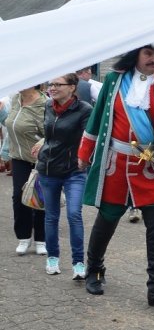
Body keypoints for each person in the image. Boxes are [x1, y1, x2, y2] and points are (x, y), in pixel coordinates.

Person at [77, 39, 154, 312]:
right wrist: (84, 151)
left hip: (152, 168)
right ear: (136, 53)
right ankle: (94, 271)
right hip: (116, 167)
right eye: (149, 53)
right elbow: (97, 118)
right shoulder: (114, 80)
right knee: (106, 222)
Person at [33, 73, 92, 278]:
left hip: (74, 171)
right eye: (50, 84)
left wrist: (84, 158)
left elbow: (88, 138)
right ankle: (52, 258)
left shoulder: (84, 109)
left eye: (58, 84)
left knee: (74, 214)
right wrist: (42, 142)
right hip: (48, 170)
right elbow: (50, 133)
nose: (53, 87)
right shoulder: (48, 106)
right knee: (51, 216)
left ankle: (78, 263)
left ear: (72, 87)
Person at [6, 84, 47, 255]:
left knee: (39, 197)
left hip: (40, 159)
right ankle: (23, 237)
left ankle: (41, 239)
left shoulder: (44, 104)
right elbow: (9, 124)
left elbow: (52, 131)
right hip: (19, 157)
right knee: (19, 196)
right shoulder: (15, 99)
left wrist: (42, 143)